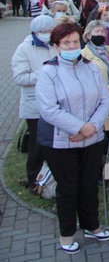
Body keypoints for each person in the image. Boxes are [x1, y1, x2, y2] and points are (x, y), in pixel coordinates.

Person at [35, 22, 109, 254]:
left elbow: (105, 99)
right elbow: (49, 109)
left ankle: (92, 226)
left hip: (91, 138)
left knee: (89, 185)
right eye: (66, 42)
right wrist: (79, 127)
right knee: (69, 188)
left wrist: (92, 126)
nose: (72, 46)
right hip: (60, 141)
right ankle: (67, 234)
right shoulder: (49, 71)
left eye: (75, 42)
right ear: (57, 46)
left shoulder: (91, 67)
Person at [12, 15, 56, 191]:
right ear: (35, 32)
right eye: (43, 32)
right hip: (35, 104)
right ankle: (33, 179)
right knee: (37, 145)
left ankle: (50, 177)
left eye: (49, 31)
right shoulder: (24, 49)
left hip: (55, 102)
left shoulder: (55, 45)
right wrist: (44, 73)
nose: (47, 34)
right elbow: (19, 77)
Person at [82, 20, 109, 114]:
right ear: (88, 35)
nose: (100, 34)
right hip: (97, 98)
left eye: (103, 31)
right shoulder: (83, 54)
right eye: (97, 31)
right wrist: (107, 88)